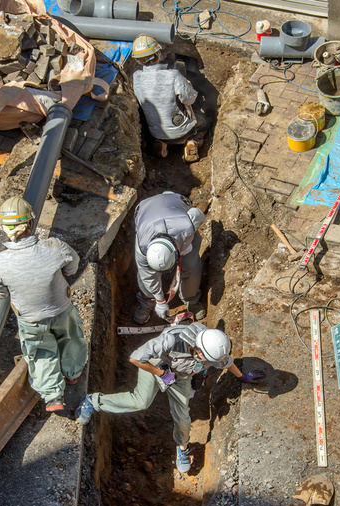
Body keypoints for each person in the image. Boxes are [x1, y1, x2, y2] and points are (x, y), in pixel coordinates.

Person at [75, 322, 262, 471]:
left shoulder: (214, 348)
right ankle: (93, 401)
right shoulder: (171, 341)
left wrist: (243, 377)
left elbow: (227, 363)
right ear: (198, 350)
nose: (213, 364)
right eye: (209, 361)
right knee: (141, 402)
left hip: (181, 377)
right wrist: (161, 373)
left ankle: (182, 449)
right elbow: (135, 358)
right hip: (156, 366)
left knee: (183, 417)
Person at [0, 196, 87, 412]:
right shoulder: (53, 246)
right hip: (61, 310)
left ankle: (53, 396)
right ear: (30, 223)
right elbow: (73, 265)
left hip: (30, 320)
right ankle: (72, 374)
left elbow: (0, 293)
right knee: (70, 338)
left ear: (4, 228)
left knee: (41, 351)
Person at [131, 34, 207, 162]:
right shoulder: (173, 76)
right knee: (203, 122)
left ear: (138, 60)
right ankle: (192, 143)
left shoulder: (136, 77)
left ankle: (161, 144)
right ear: (159, 54)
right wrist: (190, 88)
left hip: (155, 133)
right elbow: (189, 100)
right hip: (183, 131)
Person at [133, 191, 205, 325]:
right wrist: (160, 301)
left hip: (175, 202)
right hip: (145, 209)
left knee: (190, 265)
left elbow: (198, 214)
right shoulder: (142, 248)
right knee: (144, 274)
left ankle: (190, 299)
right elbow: (148, 276)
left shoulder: (186, 228)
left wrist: (185, 248)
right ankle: (147, 302)